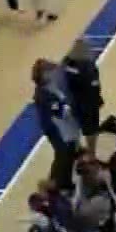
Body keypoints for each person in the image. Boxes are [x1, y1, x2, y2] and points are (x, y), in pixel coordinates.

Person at [32, 58, 84, 191]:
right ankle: (54, 183)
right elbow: (58, 110)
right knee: (62, 154)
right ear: (42, 74)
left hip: (63, 125)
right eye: (49, 71)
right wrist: (70, 108)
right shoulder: (42, 94)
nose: (52, 73)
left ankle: (65, 181)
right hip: (55, 128)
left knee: (70, 152)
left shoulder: (52, 85)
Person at [60, 40, 102, 158]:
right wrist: (98, 100)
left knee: (73, 127)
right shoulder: (88, 67)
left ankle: (77, 150)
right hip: (87, 103)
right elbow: (94, 86)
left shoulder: (66, 63)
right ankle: (92, 154)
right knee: (91, 130)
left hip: (72, 101)